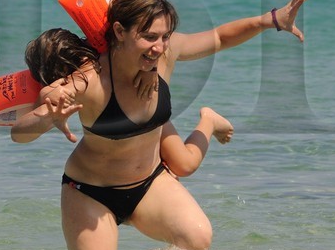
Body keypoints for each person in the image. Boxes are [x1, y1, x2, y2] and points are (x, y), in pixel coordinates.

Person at [12, 0, 307, 250]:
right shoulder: (89, 78)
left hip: (149, 184)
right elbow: (19, 135)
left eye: (165, 36)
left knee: (197, 240)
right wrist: (49, 116)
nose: (159, 46)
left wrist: (271, 20)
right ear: (120, 31)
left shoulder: (164, 56)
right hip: (90, 192)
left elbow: (219, 37)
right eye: (150, 37)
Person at [23, 27, 233, 178]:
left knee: (185, 165)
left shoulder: (105, 57)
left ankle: (209, 120)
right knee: (178, 167)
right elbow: (24, 128)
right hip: (131, 123)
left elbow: (139, 44)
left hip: (149, 112)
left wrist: (150, 70)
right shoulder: (73, 82)